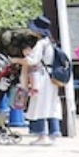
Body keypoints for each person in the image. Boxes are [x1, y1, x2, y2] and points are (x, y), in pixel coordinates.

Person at [22, 16, 65, 145]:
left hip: (42, 77)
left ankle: (42, 134)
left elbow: (33, 60)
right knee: (52, 104)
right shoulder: (51, 42)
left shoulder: (41, 44)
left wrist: (25, 56)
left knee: (39, 104)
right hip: (52, 77)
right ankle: (54, 133)